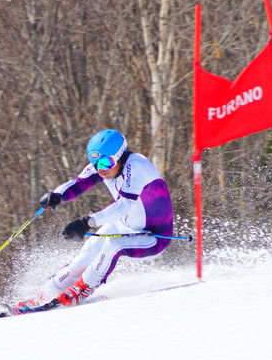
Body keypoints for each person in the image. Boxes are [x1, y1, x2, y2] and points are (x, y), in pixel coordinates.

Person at [20, 129, 173, 309]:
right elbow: (78, 184)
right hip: (124, 226)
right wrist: (56, 195)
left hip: (153, 237)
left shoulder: (137, 166)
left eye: (106, 162)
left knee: (114, 245)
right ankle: (44, 294)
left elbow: (125, 204)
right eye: (95, 163)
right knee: (84, 257)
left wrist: (88, 222)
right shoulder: (103, 167)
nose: (101, 169)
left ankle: (82, 289)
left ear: (120, 155)